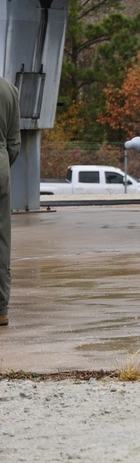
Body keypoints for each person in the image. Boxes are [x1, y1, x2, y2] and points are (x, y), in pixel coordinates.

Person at [0, 75, 20, 327]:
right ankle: (1, 307)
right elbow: (14, 145)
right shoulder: (9, 89)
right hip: (0, 168)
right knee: (1, 238)